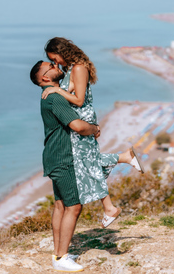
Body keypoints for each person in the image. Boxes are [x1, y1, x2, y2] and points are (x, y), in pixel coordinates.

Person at [42, 37, 146, 228]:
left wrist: (56, 92)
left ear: (62, 51)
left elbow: (79, 100)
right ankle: (123, 159)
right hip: (78, 119)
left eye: (55, 58)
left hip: (82, 119)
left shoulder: (79, 68)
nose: (56, 63)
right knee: (86, 161)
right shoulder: (71, 69)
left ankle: (110, 206)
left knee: (85, 162)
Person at [30, 60, 97, 272]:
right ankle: (61, 257)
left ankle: (59, 253)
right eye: (50, 65)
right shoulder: (55, 98)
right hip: (63, 157)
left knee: (60, 205)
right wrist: (94, 128)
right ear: (45, 77)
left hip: (54, 155)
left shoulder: (52, 94)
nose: (55, 64)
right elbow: (77, 126)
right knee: (74, 206)